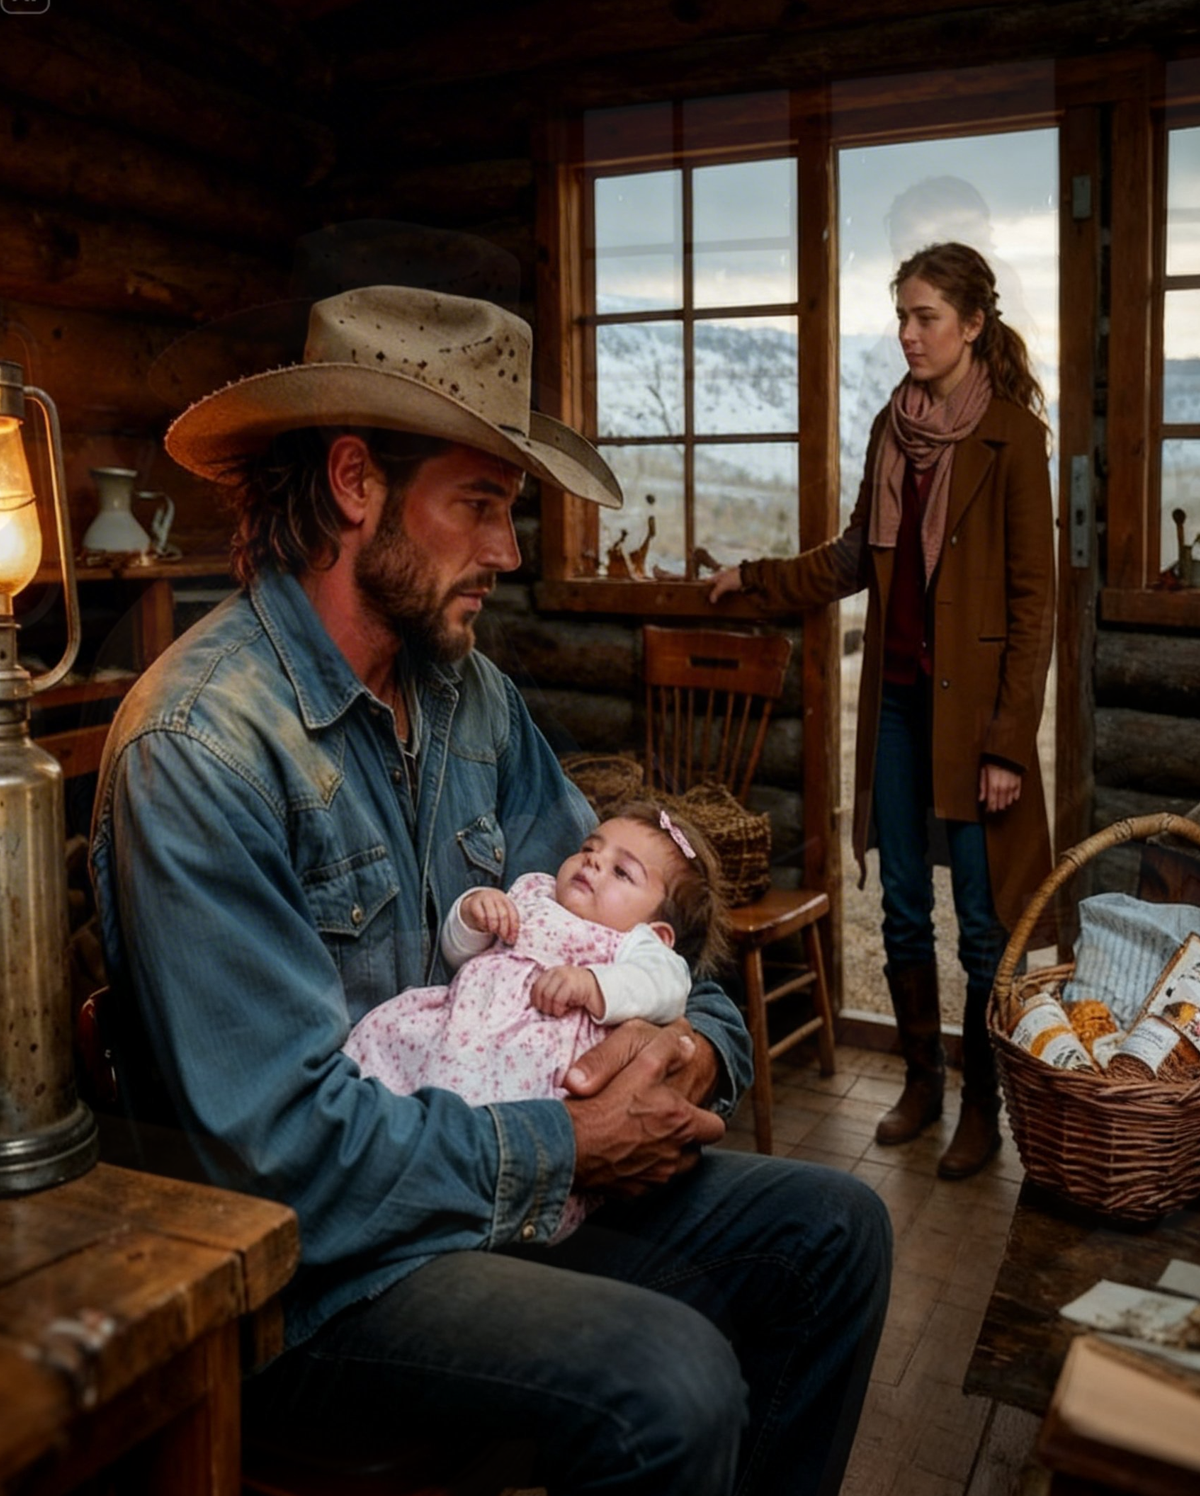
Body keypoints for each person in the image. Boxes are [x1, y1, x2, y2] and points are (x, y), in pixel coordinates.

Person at [90, 283, 892, 1495]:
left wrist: (693, 1054)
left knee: (839, 1234)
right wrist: (567, 1144)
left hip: (501, 1186)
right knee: (668, 1382)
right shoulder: (200, 747)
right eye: (480, 505)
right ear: (357, 484)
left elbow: (637, 937)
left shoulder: (471, 700)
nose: (510, 554)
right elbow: (283, 1157)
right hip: (326, 1274)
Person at [710, 241, 1054, 1181]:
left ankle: (981, 1108)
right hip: (898, 709)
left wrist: (1009, 746)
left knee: (982, 925)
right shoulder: (889, 428)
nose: (907, 334)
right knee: (904, 907)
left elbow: (1035, 607)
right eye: (900, 316)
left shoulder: (1015, 440)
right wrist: (756, 577)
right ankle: (921, 1087)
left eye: (925, 317)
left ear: (973, 324)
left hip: (976, 725)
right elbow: (855, 556)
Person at [345, 800, 729, 1238]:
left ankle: (479, 1202)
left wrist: (593, 984)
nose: (593, 862)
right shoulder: (534, 892)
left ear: (660, 933)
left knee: (498, 1107)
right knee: (387, 1046)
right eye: (591, 847)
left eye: (622, 872)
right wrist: (474, 913)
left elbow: (668, 985)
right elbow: (462, 954)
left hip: (531, 1055)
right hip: (462, 1020)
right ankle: (382, 1149)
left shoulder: (635, 946)